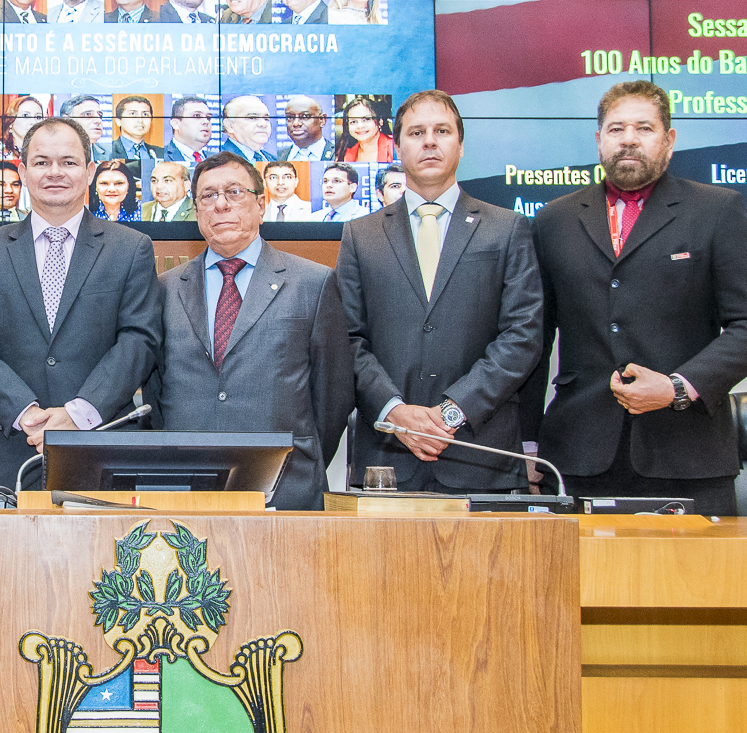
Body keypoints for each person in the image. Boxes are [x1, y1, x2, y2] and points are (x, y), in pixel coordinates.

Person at [521, 81, 747, 516]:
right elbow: (533, 339)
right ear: (599, 139)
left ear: (669, 139)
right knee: (580, 585)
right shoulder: (554, 220)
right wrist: (528, 443)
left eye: (643, 127)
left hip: (687, 454)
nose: (628, 139)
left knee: (693, 586)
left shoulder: (718, 210)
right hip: (576, 456)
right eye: (616, 128)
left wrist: (678, 387)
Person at [337, 90, 542, 494]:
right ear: (397, 147)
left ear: (460, 146)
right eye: (416, 132)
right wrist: (397, 413)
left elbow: (523, 335)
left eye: (442, 131)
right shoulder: (361, 235)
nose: (429, 141)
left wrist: (451, 412)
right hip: (387, 460)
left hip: (481, 457)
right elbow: (346, 339)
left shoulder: (507, 228)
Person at [0, 116, 162, 490]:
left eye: (69, 162)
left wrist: (78, 415)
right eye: (42, 162)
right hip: (4, 447)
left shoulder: (131, 248)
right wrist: (24, 413)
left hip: (100, 445)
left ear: (90, 171)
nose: (54, 173)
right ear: (24, 171)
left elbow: (138, 339)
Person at [147, 153, 353, 510]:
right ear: (196, 211)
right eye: (208, 196)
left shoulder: (314, 283)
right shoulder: (164, 290)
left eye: (234, 192)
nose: (221, 204)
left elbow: (332, 398)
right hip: (185, 487)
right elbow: (155, 391)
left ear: (261, 204)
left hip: (286, 486)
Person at [93, 95, 161, 161]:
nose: (140, 120)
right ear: (118, 121)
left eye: (145, 114)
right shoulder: (108, 152)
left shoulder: (159, 153)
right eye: (133, 114)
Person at [279, 95, 335, 162]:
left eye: (305, 116)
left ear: (322, 120)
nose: (296, 123)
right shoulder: (278, 156)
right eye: (290, 117)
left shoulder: (337, 154)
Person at [339, 96, 395, 162]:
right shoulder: (345, 152)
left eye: (366, 119)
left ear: (380, 121)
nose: (360, 126)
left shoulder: (394, 147)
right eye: (353, 122)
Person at [220, 94, 274, 161]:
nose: (263, 124)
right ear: (229, 125)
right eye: (252, 118)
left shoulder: (272, 159)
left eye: (266, 119)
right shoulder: (218, 159)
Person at [164, 95, 215, 166]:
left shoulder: (217, 159)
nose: (206, 122)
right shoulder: (161, 156)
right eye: (197, 116)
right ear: (175, 124)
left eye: (208, 117)